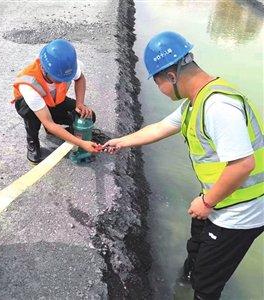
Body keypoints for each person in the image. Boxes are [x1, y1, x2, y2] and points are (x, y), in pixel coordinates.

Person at [104, 31, 263, 300]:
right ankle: (186, 280)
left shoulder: (218, 107)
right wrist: (121, 142)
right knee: (195, 252)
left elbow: (242, 165)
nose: (160, 91)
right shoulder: (196, 102)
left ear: (172, 76)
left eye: (158, 83)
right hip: (220, 199)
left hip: (241, 212)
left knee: (207, 285)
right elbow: (160, 128)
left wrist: (207, 202)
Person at [12, 39, 100, 164]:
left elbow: (80, 78)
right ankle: (32, 142)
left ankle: (65, 133)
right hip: (31, 107)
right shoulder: (29, 84)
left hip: (55, 101)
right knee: (31, 115)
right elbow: (48, 122)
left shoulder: (67, 66)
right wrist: (81, 143)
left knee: (87, 116)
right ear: (44, 68)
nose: (61, 81)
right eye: (58, 79)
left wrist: (80, 104)